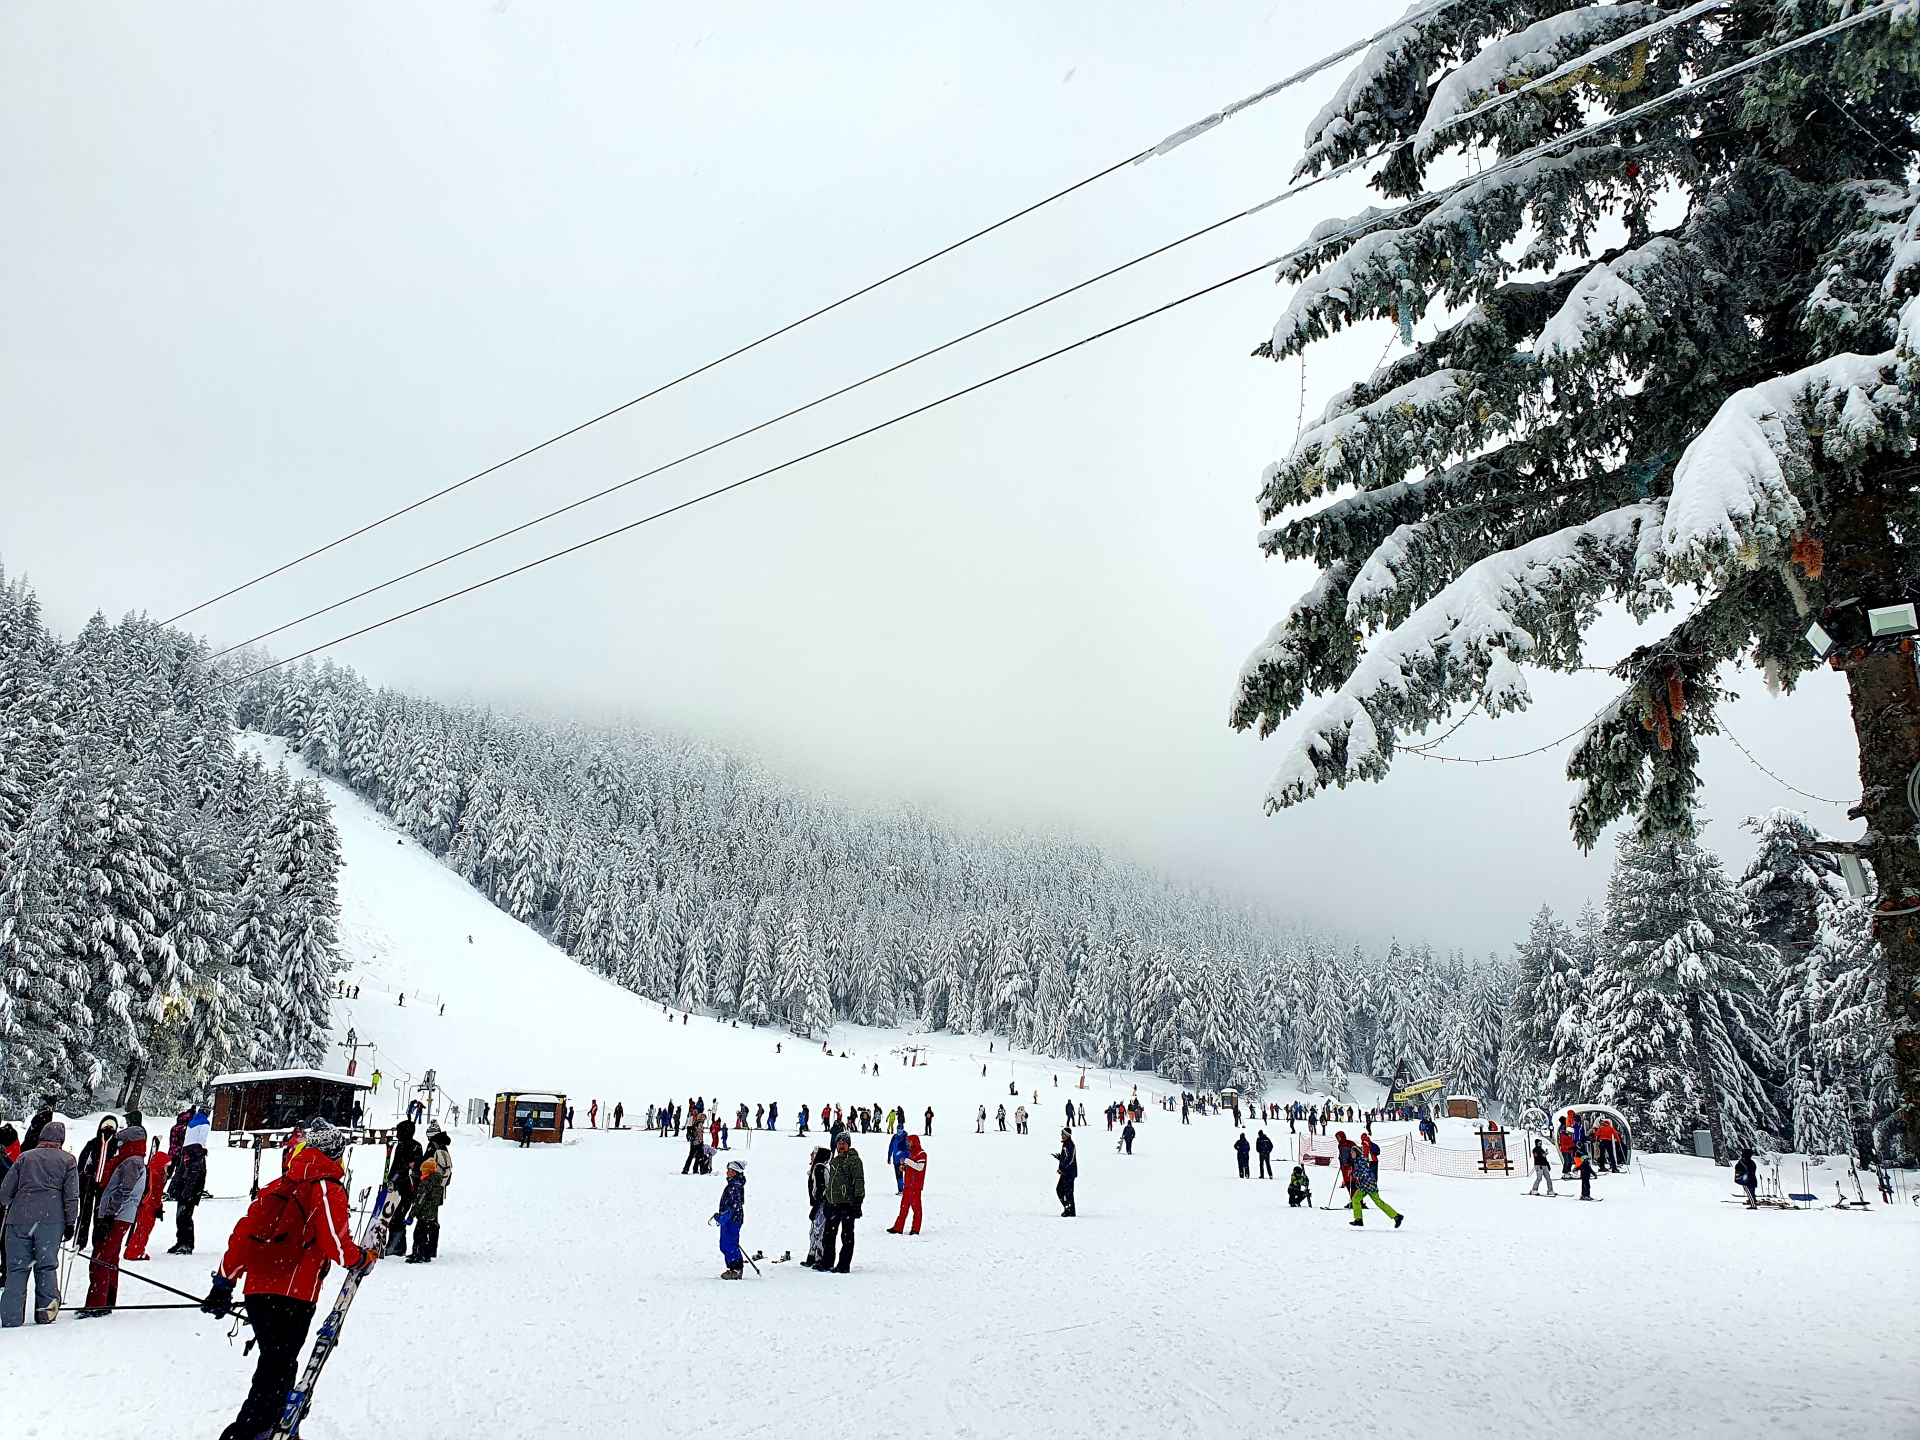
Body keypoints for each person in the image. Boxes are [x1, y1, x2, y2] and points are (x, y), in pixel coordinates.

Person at [203, 1120, 374, 1440]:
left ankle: (278, 1425)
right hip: (294, 1295)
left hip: (257, 1292)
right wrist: (361, 1259)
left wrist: (223, 1283)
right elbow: (335, 1243)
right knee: (274, 1369)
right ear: (336, 1153)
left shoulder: (278, 1185)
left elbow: (243, 1235)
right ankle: (249, 1431)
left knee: (278, 1364)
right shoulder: (326, 1187)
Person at [1, 1119, 78, 1327]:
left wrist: (11, 1202)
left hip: (19, 1219)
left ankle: (11, 1317)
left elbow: (5, 1193)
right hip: (51, 1222)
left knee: (16, 1268)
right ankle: (46, 1313)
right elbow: (71, 1196)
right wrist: (71, 1222)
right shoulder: (68, 1160)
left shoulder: (25, 1158)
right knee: (46, 1267)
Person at [77, 1124, 149, 1316]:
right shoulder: (133, 1160)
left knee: (100, 1260)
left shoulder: (131, 1162)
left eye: (122, 1142)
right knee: (110, 1259)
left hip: (117, 1216)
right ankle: (107, 1301)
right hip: (120, 1215)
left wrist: (109, 1215)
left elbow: (123, 1191)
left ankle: (96, 1305)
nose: (119, 1146)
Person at [819, 1134, 865, 1273]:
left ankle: (844, 1264)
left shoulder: (854, 1161)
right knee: (828, 1235)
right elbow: (832, 1183)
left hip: (847, 1203)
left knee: (847, 1235)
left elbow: (858, 1180)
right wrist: (828, 1200)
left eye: (844, 1143)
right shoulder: (835, 1161)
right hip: (834, 1203)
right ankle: (826, 1262)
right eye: (839, 1143)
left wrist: (858, 1201)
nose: (841, 1146)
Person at [123, 1137, 172, 1260]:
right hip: (147, 1206)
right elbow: (155, 1195)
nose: (167, 1169)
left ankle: (135, 1249)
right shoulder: (155, 1175)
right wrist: (158, 1207)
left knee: (142, 1229)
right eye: (166, 1166)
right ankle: (134, 1252)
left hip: (147, 1205)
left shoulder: (153, 1173)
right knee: (143, 1230)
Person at [74, 1115, 119, 1249]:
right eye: (106, 1126)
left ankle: (98, 1243)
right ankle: (79, 1242)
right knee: (84, 1213)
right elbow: (82, 1162)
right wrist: (82, 1176)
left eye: (111, 1127)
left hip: (105, 1186)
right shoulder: (93, 1143)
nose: (108, 1129)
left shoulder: (116, 1145)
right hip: (89, 1183)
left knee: (100, 1215)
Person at [168, 1122, 210, 1254]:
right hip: (184, 1195)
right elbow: (179, 1177)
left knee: (184, 1219)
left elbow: (192, 1182)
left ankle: (186, 1244)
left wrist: (186, 1196)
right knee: (180, 1219)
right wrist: (173, 1190)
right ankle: (181, 1242)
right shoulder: (189, 1162)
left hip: (188, 1197)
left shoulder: (196, 1164)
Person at [385, 1119, 424, 1256]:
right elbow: (396, 1165)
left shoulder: (412, 1146)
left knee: (397, 1217)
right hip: (399, 1186)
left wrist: (393, 1179)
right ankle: (394, 1245)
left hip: (407, 1187)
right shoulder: (404, 1145)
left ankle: (397, 1246)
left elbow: (418, 1166)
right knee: (393, 1217)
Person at [1347, 1142, 1403, 1229]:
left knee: (1378, 1202)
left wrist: (1354, 1174)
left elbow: (1364, 1172)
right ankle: (1358, 1219)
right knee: (1355, 1199)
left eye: (1352, 1152)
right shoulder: (1358, 1161)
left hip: (1368, 1185)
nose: (1351, 1154)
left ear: (1356, 1153)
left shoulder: (1361, 1161)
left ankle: (1396, 1216)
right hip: (1364, 1186)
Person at [408, 1156, 447, 1263]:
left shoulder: (426, 1183)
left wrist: (412, 1213)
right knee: (426, 1235)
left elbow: (420, 1200)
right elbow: (439, 1201)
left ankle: (417, 1255)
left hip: (424, 1214)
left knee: (418, 1235)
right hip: (432, 1214)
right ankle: (426, 1254)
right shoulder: (438, 1183)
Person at [714, 1160, 747, 1279]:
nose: (727, 1172)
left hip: (733, 1220)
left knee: (730, 1243)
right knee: (724, 1244)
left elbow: (736, 1204)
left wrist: (727, 1215)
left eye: (729, 1170)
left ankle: (736, 1269)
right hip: (728, 1219)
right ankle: (731, 1266)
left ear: (735, 1172)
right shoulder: (733, 1184)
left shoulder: (736, 1186)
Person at [888, 1136, 927, 1235]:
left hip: (915, 1186)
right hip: (908, 1185)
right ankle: (898, 1227)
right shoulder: (912, 1154)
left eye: (909, 1142)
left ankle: (915, 1229)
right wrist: (905, 1168)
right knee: (903, 1208)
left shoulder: (921, 1154)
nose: (908, 1144)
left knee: (916, 1209)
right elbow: (914, 1167)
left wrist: (906, 1161)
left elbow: (919, 1167)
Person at [803, 1145, 832, 1269]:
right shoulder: (819, 1167)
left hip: (821, 1205)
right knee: (814, 1231)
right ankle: (812, 1256)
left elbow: (820, 1188)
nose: (811, 1156)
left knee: (818, 1231)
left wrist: (816, 1205)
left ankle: (818, 1258)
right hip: (819, 1204)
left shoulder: (819, 1168)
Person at [1053, 1128, 1078, 1217]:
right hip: (1066, 1172)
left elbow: (1070, 1159)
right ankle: (1068, 1208)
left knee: (1067, 1192)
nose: (1061, 1135)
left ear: (1067, 1135)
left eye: (1062, 1133)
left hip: (1069, 1173)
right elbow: (1066, 1158)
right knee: (1060, 1190)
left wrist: (1062, 1168)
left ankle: (1070, 1210)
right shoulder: (1066, 1144)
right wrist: (1060, 1158)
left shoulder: (1070, 1145)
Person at [887, 1125, 910, 1193]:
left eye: (900, 1129)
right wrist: (889, 1156)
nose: (899, 1130)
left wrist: (910, 1158)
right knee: (898, 1175)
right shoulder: (894, 1137)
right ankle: (901, 1189)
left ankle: (907, 1189)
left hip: (904, 1159)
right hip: (896, 1160)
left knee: (907, 1175)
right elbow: (891, 1147)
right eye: (898, 1129)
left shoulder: (906, 1138)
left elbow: (908, 1149)